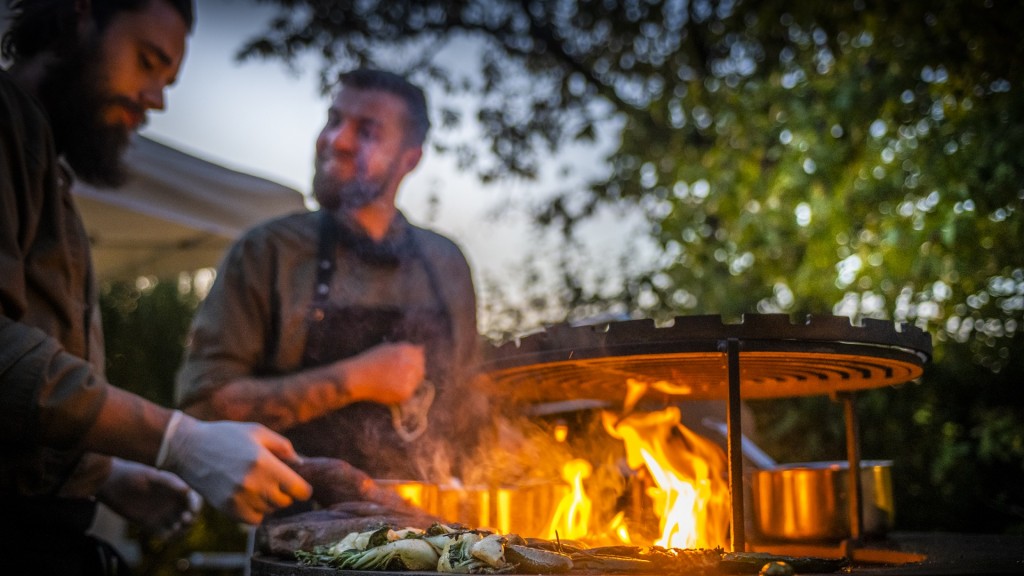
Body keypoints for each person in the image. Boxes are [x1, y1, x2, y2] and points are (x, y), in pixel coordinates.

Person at [0, 0, 312, 573]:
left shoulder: (51, 173)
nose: (156, 99)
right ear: (80, 14)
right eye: (147, 62)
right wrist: (178, 440)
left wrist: (103, 475)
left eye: (167, 80)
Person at [175, 68, 488, 483]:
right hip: (301, 533)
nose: (335, 140)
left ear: (409, 159)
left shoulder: (446, 262)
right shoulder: (269, 252)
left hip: (437, 532)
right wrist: (355, 379)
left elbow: (471, 402)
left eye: (366, 131)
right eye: (333, 119)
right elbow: (203, 408)